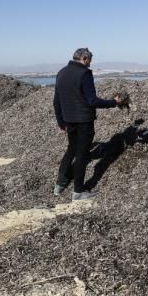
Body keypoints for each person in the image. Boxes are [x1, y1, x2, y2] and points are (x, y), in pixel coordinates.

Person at [53, 47, 123, 200]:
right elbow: (92, 100)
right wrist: (113, 102)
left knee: (71, 150)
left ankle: (59, 185)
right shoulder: (84, 73)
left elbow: (56, 101)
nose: (90, 64)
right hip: (84, 121)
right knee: (82, 155)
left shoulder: (61, 72)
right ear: (84, 59)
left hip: (68, 120)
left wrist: (60, 122)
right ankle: (78, 192)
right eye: (89, 61)